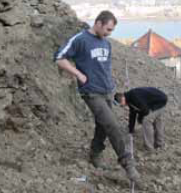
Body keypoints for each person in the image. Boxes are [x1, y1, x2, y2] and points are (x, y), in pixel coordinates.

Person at [54, 10, 139, 181]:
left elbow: (104, 67)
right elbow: (59, 58)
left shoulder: (106, 43)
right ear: (98, 23)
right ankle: (127, 164)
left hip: (107, 91)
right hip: (91, 92)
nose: (109, 33)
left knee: (102, 125)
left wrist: (111, 85)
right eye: (108, 29)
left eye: (111, 31)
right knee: (112, 125)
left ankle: (95, 153)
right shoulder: (80, 40)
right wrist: (78, 74)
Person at [114, 87, 168, 151]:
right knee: (158, 120)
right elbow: (132, 114)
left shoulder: (134, 97)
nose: (121, 106)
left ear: (122, 98)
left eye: (121, 104)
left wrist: (140, 118)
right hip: (158, 100)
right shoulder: (129, 99)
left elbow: (145, 111)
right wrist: (131, 129)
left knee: (146, 121)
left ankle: (149, 147)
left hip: (160, 101)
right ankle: (160, 143)